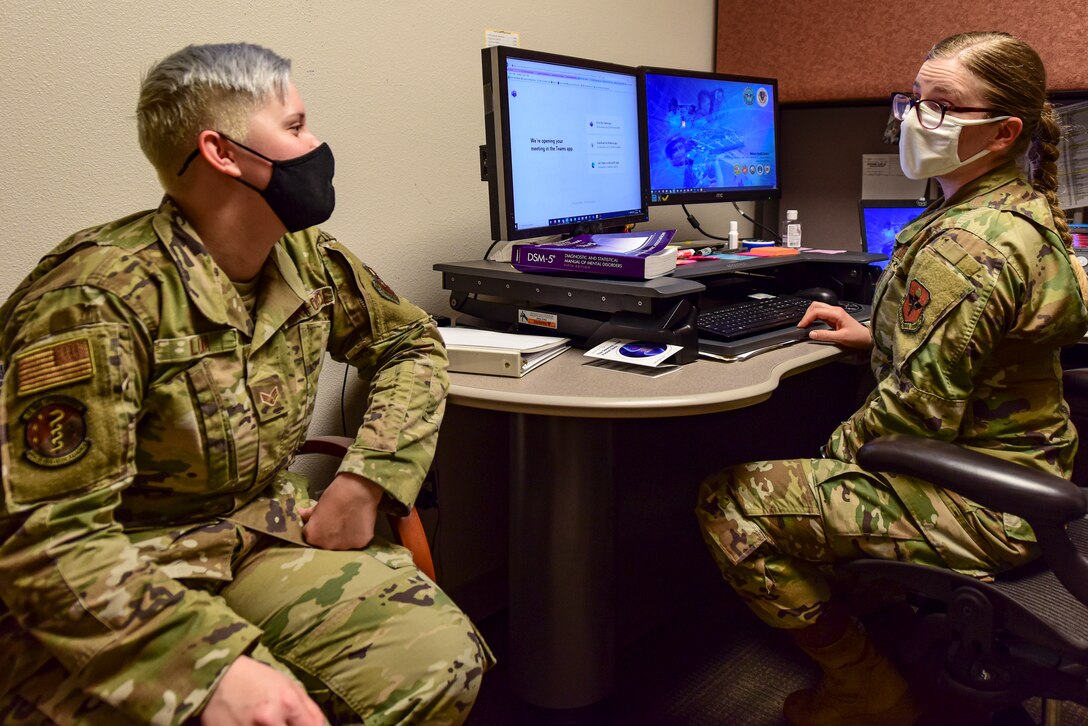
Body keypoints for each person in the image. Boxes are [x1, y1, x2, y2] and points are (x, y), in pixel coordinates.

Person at [0, 43, 492, 725]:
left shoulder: (303, 255)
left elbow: (407, 342)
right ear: (223, 153)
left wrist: (368, 475)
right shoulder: (96, 298)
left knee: (440, 661)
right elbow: (48, 539)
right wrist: (205, 668)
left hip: (254, 537)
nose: (316, 145)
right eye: (294, 128)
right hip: (118, 576)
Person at [696, 31, 1088, 726]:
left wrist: (829, 461)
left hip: (983, 501)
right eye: (913, 99)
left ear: (1002, 132)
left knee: (734, 500)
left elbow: (915, 415)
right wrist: (875, 337)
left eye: (941, 107)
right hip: (1032, 471)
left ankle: (865, 685)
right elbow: (979, 347)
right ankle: (893, 629)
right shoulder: (1011, 212)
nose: (914, 120)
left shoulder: (966, 246)